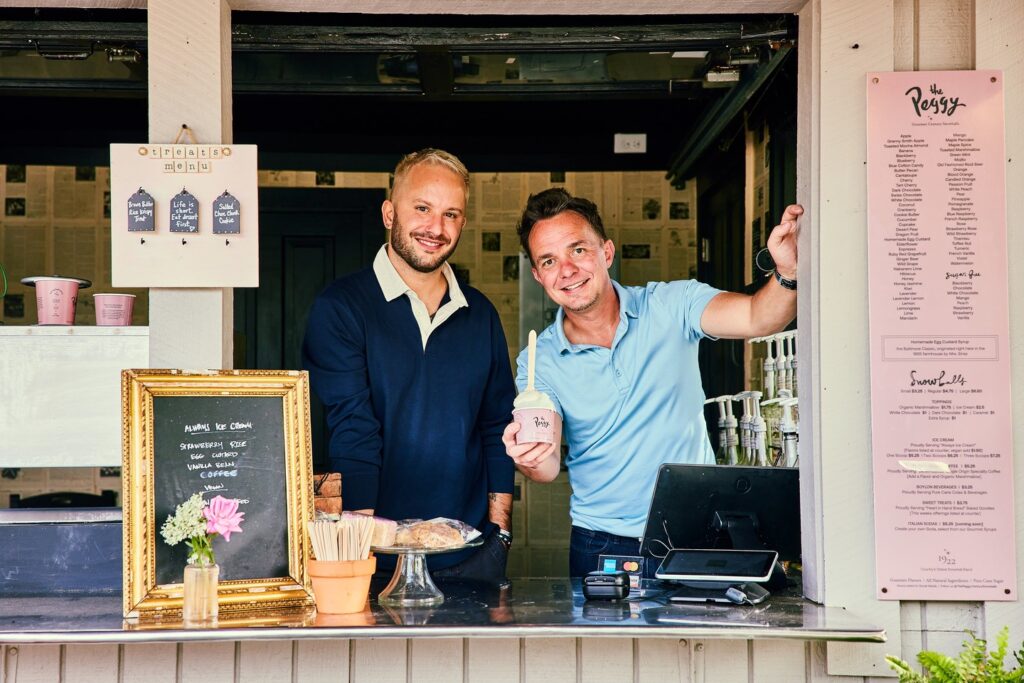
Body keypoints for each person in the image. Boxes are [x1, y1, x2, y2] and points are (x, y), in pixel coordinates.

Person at [502, 188, 801, 577]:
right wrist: (531, 457)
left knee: (698, 640)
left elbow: (758, 318)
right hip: (600, 544)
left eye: (578, 250)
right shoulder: (539, 360)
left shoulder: (672, 305)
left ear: (606, 253)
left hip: (697, 530)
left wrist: (788, 273)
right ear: (539, 275)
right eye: (549, 260)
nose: (567, 270)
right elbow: (546, 463)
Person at [303, 149, 516, 581]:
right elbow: (353, 430)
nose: (436, 228)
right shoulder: (341, 307)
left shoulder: (480, 313)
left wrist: (500, 533)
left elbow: (498, 424)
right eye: (422, 208)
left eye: (451, 214)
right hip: (373, 554)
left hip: (470, 551)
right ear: (388, 213)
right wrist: (358, 555)